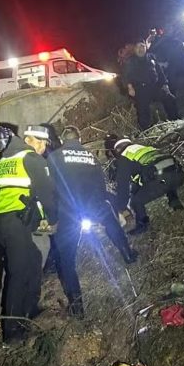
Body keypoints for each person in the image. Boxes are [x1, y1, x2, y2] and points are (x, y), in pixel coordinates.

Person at [48, 126, 138, 318]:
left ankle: (77, 307)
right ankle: (128, 254)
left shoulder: (55, 156)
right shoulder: (90, 156)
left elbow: (51, 186)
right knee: (112, 224)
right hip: (94, 202)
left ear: (63, 140)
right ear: (79, 139)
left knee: (67, 259)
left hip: (68, 209)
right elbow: (100, 183)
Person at [0, 125, 57, 343]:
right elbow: (47, 194)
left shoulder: (2, 162)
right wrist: (53, 220)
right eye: (42, 143)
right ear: (31, 141)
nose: (44, 148)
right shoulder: (31, 159)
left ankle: (30, 308)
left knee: (34, 259)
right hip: (14, 222)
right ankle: (12, 332)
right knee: (18, 274)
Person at [107, 136, 184, 235]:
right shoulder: (144, 149)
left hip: (162, 180)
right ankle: (175, 202)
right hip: (178, 175)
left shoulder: (125, 157)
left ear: (117, 150)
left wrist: (121, 207)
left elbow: (123, 187)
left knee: (136, 200)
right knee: (164, 175)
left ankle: (143, 225)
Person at [122, 42, 179, 130]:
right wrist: (130, 87)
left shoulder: (151, 57)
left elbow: (160, 72)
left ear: (146, 47)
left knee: (170, 98)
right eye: (138, 47)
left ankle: (176, 121)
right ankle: (145, 130)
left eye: (142, 46)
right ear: (134, 49)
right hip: (141, 89)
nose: (140, 49)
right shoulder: (130, 61)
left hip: (155, 87)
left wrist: (165, 85)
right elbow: (126, 76)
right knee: (143, 109)